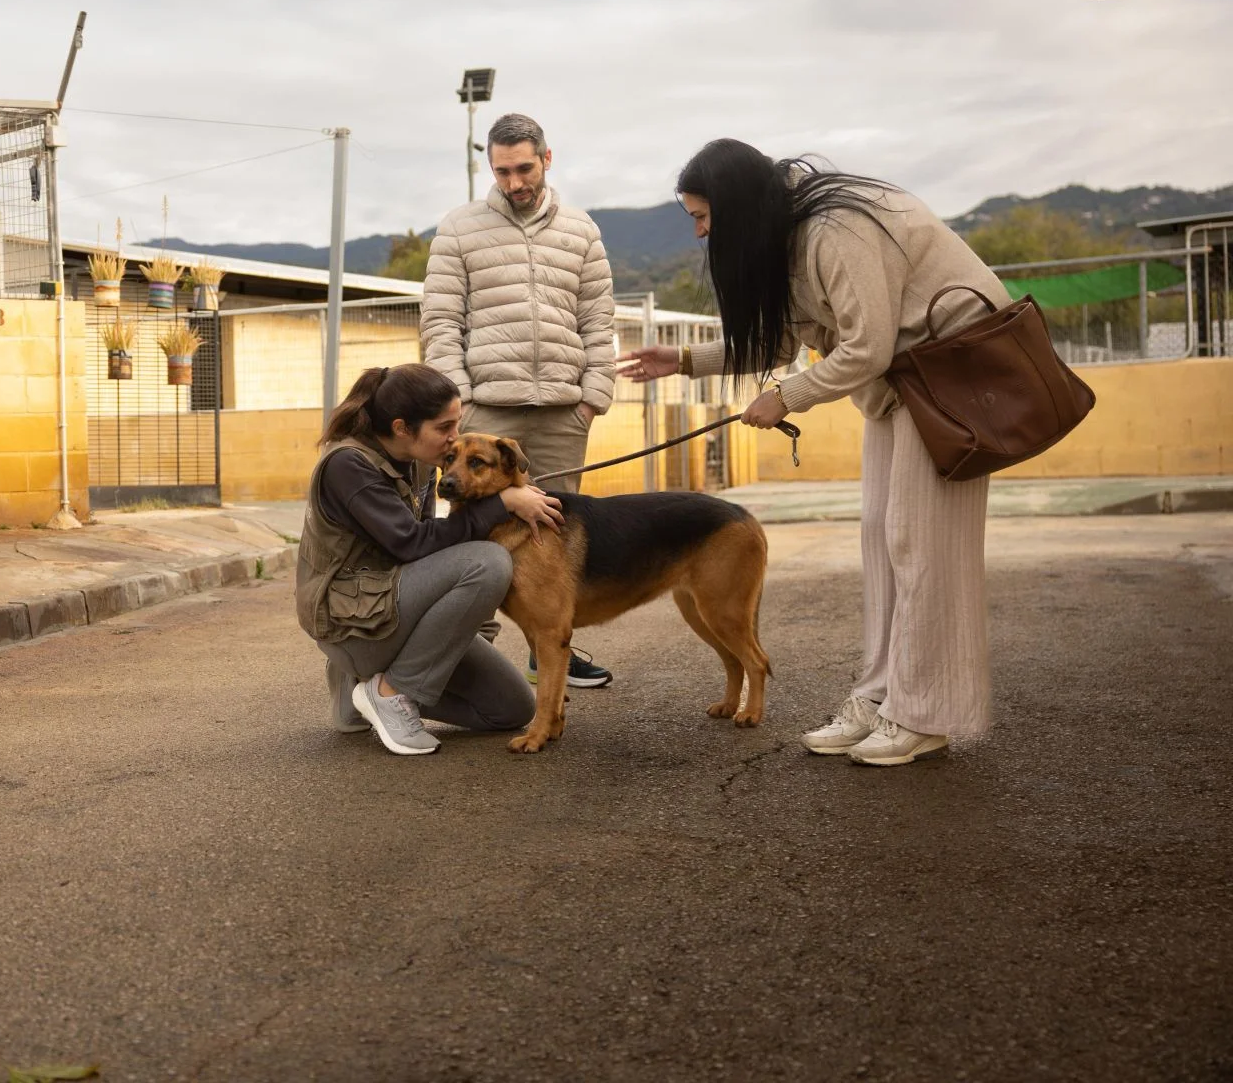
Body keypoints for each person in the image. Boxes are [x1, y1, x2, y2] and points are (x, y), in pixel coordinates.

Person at [619, 138, 1006, 766]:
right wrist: (686, 360)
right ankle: (884, 697)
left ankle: (924, 712)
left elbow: (868, 347)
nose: (698, 232)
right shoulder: (792, 237)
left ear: (737, 204)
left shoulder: (835, 229)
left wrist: (788, 398)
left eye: (703, 215)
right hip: (907, 385)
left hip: (950, 379)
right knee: (884, 540)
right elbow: (780, 343)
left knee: (920, 545)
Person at [421, 112, 617, 689]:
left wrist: (592, 397)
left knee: (551, 538)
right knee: (475, 537)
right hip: (488, 411)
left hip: (563, 409)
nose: (513, 182)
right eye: (502, 171)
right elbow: (439, 322)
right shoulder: (458, 229)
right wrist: (460, 410)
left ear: (547, 159)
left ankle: (550, 647)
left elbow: (598, 319)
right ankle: (458, 655)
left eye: (524, 168)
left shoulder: (581, 230)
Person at [296, 363, 564, 756]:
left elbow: (438, 549)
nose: (454, 437)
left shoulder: (419, 459)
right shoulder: (347, 465)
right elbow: (413, 543)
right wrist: (503, 503)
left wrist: (462, 634)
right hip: (352, 623)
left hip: (393, 609)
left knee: (510, 708)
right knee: (488, 561)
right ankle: (388, 693)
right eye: (444, 427)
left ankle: (357, 687)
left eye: (457, 423)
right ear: (403, 427)